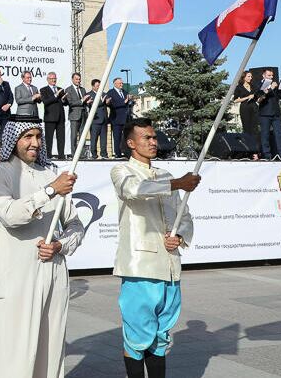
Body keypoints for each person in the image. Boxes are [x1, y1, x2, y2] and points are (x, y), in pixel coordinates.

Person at [0, 115, 84, 377]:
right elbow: (11, 215)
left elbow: (76, 225)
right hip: (15, 281)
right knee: (13, 357)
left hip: (53, 276)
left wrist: (60, 245)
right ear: (12, 139)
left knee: (49, 357)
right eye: (27, 136)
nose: (35, 142)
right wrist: (50, 191)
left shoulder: (51, 174)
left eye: (38, 136)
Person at [111, 118, 201, 378]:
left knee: (162, 335)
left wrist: (179, 237)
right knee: (137, 336)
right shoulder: (121, 171)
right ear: (131, 143)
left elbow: (183, 215)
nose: (153, 142)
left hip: (170, 266)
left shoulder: (165, 175)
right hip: (140, 266)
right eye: (146, 138)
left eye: (154, 137)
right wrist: (177, 184)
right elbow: (134, 190)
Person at [257, 68, 281, 159]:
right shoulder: (260, 84)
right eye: (269, 75)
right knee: (265, 135)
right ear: (263, 75)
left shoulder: (275, 84)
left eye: (272, 76)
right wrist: (271, 88)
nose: (271, 77)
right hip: (264, 114)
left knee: (279, 134)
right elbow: (260, 98)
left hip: (276, 114)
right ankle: (267, 156)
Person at [105, 78, 136, 158]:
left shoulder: (125, 92)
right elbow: (112, 105)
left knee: (127, 137)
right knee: (117, 137)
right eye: (120, 83)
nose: (122, 85)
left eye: (122, 83)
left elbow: (129, 103)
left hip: (126, 119)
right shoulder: (110, 93)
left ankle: (127, 153)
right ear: (115, 84)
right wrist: (124, 102)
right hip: (116, 119)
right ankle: (117, 153)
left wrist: (131, 100)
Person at [232, 70, 261, 154]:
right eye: (248, 76)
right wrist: (247, 97)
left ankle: (256, 151)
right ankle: (248, 150)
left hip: (254, 108)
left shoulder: (253, 86)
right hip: (245, 108)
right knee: (247, 129)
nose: (250, 78)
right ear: (244, 77)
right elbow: (235, 100)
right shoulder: (239, 87)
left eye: (251, 76)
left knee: (255, 129)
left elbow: (258, 98)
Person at [40, 72, 67, 159]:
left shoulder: (60, 89)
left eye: (55, 78)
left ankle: (61, 156)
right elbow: (46, 102)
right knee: (49, 138)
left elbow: (66, 103)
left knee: (61, 138)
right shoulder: (43, 89)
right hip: (50, 118)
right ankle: (48, 156)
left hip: (60, 118)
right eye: (51, 78)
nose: (54, 80)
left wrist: (63, 100)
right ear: (48, 80)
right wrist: (55, 95)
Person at [65, 73, 92, 156]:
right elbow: (70, 103)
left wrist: (87, 102)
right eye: (76, 79)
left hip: (83, 114)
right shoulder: (68, 90)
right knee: (73, 136)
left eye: (79, 79)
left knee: (82, 135)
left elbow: (84, 102)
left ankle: (82, 154)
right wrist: (81, 101)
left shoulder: (83, 89)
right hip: (74, 115)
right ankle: (74, 154)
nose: (78, 81)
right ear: (72, 79)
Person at [88, 79, 109, 159]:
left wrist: (108, 102)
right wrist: (102, 101)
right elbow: (93, 105)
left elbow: (108, 103)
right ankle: (94, 155)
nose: (99, 87)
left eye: (100, 85)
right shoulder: (89, 95)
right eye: (97, 86)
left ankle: (104, 154)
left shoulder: (104, 94)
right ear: (93, 86)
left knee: (104, 139)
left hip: (104, 120)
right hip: (95, 120)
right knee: (94, 138)